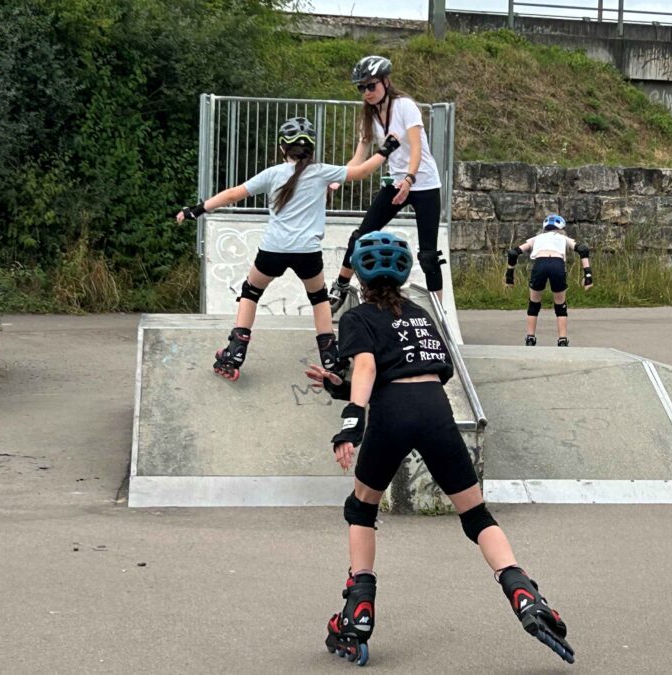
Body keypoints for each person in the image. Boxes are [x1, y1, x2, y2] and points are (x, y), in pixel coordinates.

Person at [305, 232, 574, 666]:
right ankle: (522, 591)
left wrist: (351, 421)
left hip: (391, 410)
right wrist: (341, 386)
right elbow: (427, 369)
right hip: (435, 409)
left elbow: (371, 366)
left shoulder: (358, 316)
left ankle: (358, 610)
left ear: (361, 275)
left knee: (361, 509)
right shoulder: (420, 314)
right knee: (475, 513)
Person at [177, 117, 398, 380]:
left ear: (283, 148)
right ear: (311, 149)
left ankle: (235, 351)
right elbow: (361, 171)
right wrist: (386, 149)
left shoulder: (273, 174)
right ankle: (330, 357)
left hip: (273, 250)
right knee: (319, 299)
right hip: (307, 252)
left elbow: (233, 194)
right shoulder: (322, 172)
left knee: (251, 291)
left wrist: (197, 210)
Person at [327, 55, 446, 314]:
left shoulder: (405, 106)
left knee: (428, 256)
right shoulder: (368, 117)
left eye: (371, 86)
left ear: (385, 82)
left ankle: (439, 312)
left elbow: (416, 148)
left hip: (423, 183)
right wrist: (338, 178)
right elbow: (359, 159)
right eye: (362, 88)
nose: (366, 93)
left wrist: (410, 178)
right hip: (395, 184)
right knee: (360, 237)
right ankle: (340, 286)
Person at [504, 213, 593, 347]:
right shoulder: (563, 238)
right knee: (560, 306)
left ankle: (530, 338)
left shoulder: (537, 238)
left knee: (534, 304)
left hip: (540, 264)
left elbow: (513, 253)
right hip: (557, 264)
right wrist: (588, 276)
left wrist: (509, 276)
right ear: (561, 228)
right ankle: (562, 340)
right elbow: (582, 249)